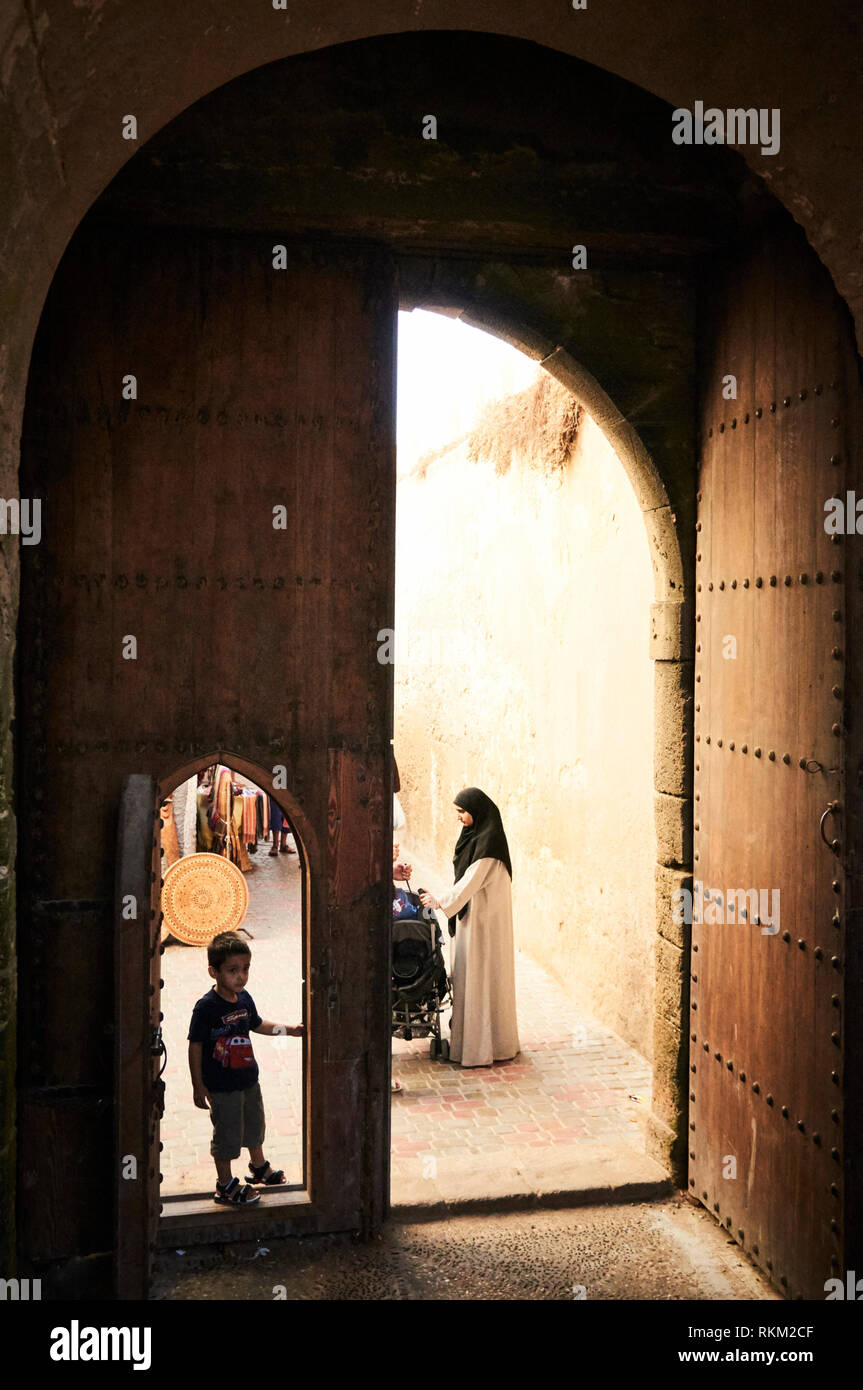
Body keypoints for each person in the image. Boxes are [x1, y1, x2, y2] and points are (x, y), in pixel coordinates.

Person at [188, 930, 303, 1206]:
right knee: (227, 1133)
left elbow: (258, 1024)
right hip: (222, 1086)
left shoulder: (244, 998)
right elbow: (195, 1046)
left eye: (245, 969)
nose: (241, 976)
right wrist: (197, 1085)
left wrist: (290, 1030)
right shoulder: (206, 1007)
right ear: (212, 972)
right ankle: (225, 1184)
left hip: (248, 1079)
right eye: (232, 970)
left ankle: (258, 1167)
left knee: (254, 1124)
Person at [420, 787, 520, 1068]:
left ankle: (480, 1050)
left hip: (483, 927)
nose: (460, 818)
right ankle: (473, 1044)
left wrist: (439, 901)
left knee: (480, 979)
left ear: (478, 812)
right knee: (471, 979)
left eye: (463, 812)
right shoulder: (475, 839)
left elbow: (469, 883)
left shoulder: (489, 848)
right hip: (472, 921)